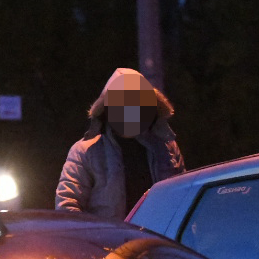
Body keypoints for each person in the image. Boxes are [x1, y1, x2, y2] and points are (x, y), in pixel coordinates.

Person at [56, 68, 184, 218]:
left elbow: (184, 198)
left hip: (158, 233)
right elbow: (67, 207)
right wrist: (97, 232)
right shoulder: (85, 151)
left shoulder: (166, 148)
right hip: (107, 234)